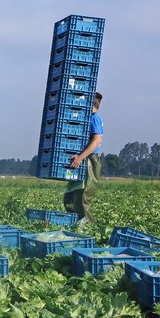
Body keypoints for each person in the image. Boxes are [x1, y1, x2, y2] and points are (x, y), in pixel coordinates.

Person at [64, 92, 104, 224]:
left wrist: (81, 157)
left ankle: (88, 231)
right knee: (70, 198)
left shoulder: (94, 118)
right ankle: (75, 226)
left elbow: (97, 140)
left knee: (82, 200)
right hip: (83, 160)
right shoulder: (89, 118)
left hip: (89, 161)